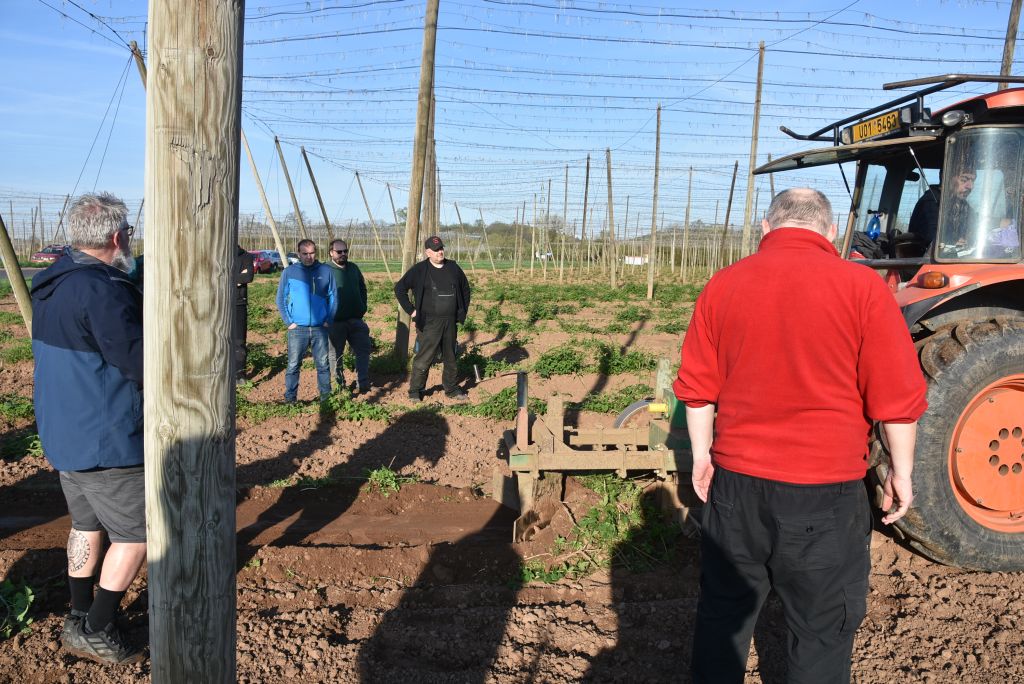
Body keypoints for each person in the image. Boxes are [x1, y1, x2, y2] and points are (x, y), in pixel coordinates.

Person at [674, 188, 927, 683]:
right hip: (825, 494)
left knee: (722, 621)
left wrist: (702, 457)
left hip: (737, 489)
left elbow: (698, 390)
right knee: (821, 631)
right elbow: (896, 398)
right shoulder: (863, 287)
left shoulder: (724, 284)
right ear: (831, 232)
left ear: (767, 228)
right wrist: (902, 472)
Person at [30, 192, 146, 664]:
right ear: (118, 237)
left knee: (86, 524)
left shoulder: (51, 283)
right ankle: (98, 626)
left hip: (63, 434)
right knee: (138, 534)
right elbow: (137, 361)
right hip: (107, 441)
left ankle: (78, 612)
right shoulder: (103, 289)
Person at [394, 235, 471, 402]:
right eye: (436, 250)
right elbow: (399, 288)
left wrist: (461, 311)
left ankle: (451, 389)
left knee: (450, 356)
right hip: (429, 323)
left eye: (441, 248)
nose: (440, 252)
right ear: (428, 252)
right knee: (424, 357)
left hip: (449, 321)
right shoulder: (420, 270)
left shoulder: (453, 268)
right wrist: (412, 311)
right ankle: (416, 390)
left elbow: (465, 289)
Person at [276, 239, 337, 402]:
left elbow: (333, 297)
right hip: (297, 329)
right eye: (305, 254)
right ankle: (290, 399)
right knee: (293, 365)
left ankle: (326, 399)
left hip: (320, 328)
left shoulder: (325, 271)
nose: (309, 257)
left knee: (323, 365)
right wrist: (289, 322)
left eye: (312, 253)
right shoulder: (289, 272)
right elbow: (280, 298)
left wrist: (328, 319)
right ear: (298, 254)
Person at [326, 239, 372, 394]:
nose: (343, 254)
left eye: (345, 251)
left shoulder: (353, 268)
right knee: (335, 354)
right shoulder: (326, 270)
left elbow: (362, 287)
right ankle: (338, 386)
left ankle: (363, 383)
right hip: (335, 322)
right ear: (331, 252)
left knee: (363, 350)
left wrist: (362, 306)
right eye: (339, 252)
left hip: (355, 319)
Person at [908, 169, 976, 247]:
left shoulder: (965, 207)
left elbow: (976, 231)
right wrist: (953, 242)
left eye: (973, 181)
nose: (970, 186)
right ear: (945, 177)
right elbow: (933, 239)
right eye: (964, 180)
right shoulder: (931, 202)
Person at [234, 244, 255, 383]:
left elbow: (248, 277)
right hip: (219, 303)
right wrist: (237, 277)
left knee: (239, 341)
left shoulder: (246, 256)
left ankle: (240, 374)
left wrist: (227, 277)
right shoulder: (219, 254)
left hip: (238, 304)